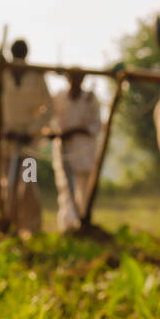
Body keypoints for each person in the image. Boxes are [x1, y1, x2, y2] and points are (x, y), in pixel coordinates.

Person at [0, 39, 53, 238]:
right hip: (6, 143)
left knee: (28, 184)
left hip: (29, 145)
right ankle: (12, 225)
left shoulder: (36, 75)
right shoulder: (2, 74)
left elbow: (48, 109)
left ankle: (32, 228)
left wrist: (31, 132)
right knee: (7, 184)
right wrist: (2, 130)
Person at [51, 69, 102, 232]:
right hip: (64, 148)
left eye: (78, 78)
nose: (75, 81)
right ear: (67, 79)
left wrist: (76, 130)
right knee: (66, 187)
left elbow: (96, 125)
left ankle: (83, 220)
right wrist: (55, 132)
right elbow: (49, 119)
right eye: (72, 78)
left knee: (85, 187)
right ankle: (69, 226)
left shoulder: (91, 99)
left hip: (85, 149)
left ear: (83, 80)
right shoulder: (58, 97)